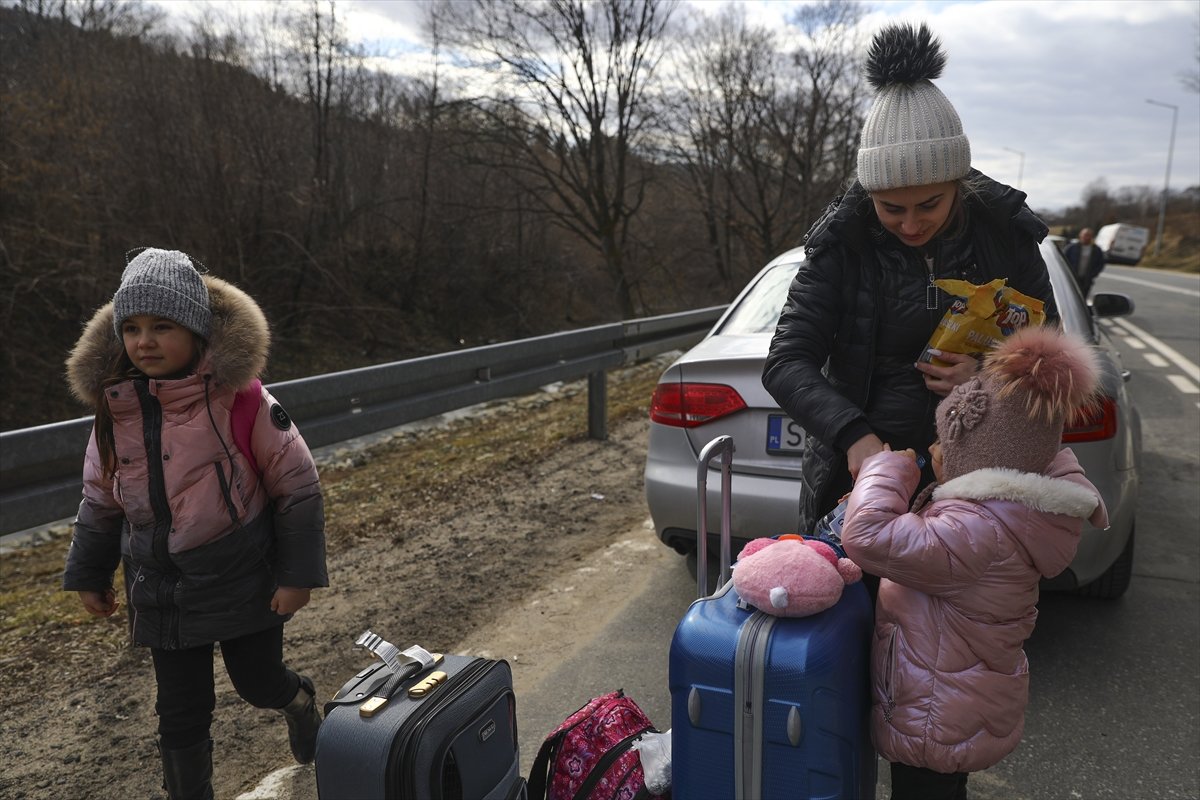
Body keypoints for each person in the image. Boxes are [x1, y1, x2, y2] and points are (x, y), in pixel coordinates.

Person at [762, 23, 1059, 570]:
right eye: (891, 208)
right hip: (858, 481)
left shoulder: (1007, 237)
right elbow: (786, 362)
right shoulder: (841, 245)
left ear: (958, 183)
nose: (911, 223)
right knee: (846, 630)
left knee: (950, 640)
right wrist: (853, 436)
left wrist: (985, 380)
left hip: (976, 476)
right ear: (869, 193)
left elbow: (1051, 355)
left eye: (929, 204)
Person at [62, 248, 328, 800]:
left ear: (197, 329)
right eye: (131, 328)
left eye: (163, 326)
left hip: (241, 572)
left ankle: (299, 701)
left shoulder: (242, 399)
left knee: (259, 683)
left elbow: (297, 486)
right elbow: (100, 496)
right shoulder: (115, 409)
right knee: (180, 712)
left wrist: (296, 576)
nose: (145, 342)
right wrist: (90, 573)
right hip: (159, 586)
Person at [839, 325, 1108, 800]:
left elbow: (867, 535)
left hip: (933, 716)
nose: (934, 451)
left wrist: (886, 470)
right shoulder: (1015, 513)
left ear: (979, 463)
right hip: (959, 704)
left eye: (947, 446)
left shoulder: (975, 530)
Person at [1063, 227, 1106, 297]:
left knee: (1082, 298)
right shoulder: (1071, 248)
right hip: (1071, 278)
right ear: (1080, 235)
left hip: (1086, 280)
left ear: (1092, 237)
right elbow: (1063, 261)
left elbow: (1101, 264)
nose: (1086, 237)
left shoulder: (1096, 250)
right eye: (1084, 235)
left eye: (1088, 235)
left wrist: (1093, 274)